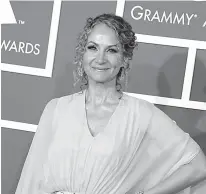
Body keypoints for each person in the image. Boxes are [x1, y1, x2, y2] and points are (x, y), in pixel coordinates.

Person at [15, 14, 206, 194]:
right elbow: (31, 181)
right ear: (83, 54)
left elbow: (198, 166)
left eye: (111, 50)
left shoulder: (140, 114)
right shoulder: (56, 109)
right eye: (93, 47)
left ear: (125, 59)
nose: (100, 59)